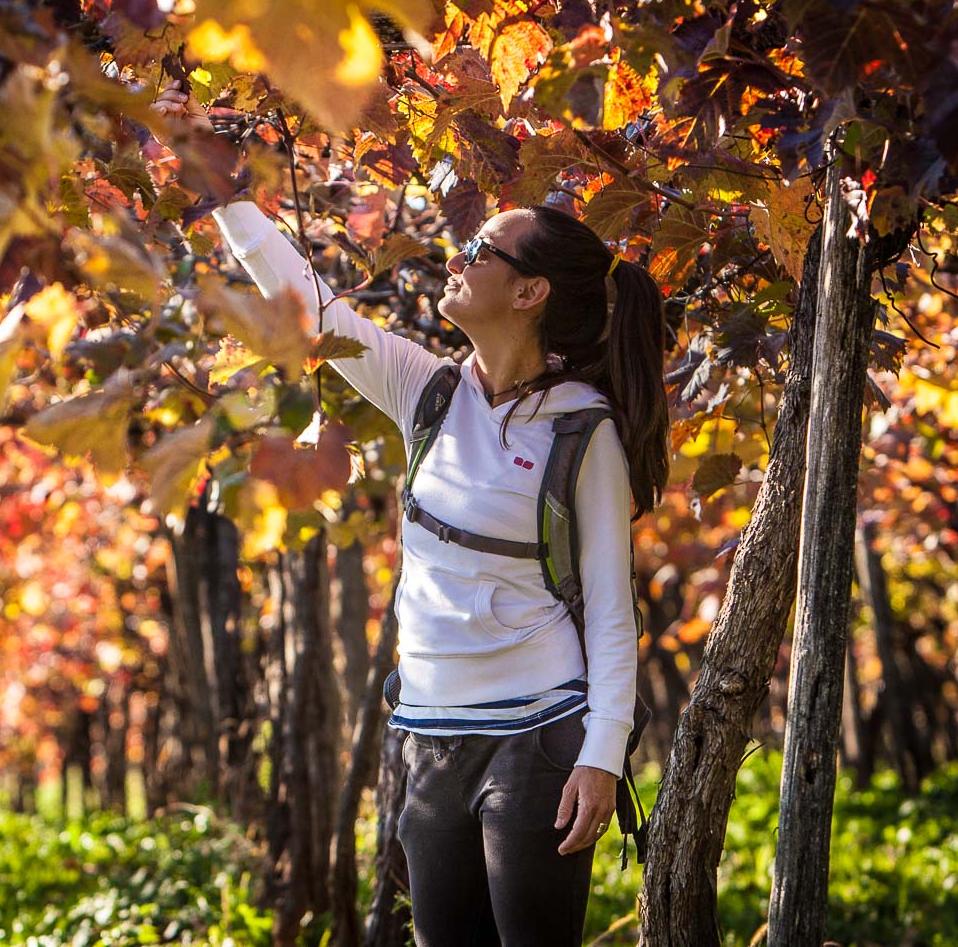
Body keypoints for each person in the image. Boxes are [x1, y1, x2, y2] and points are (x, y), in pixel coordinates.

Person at [150, 83, 669, 946]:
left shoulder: (585, 431)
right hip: (426, 731)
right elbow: (314, 307)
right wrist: (226, 195)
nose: (456, 258)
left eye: (480, 248)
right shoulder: (426, 391)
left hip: (539, 737)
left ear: (531, 292)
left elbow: (613, 613)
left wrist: (601, 754)